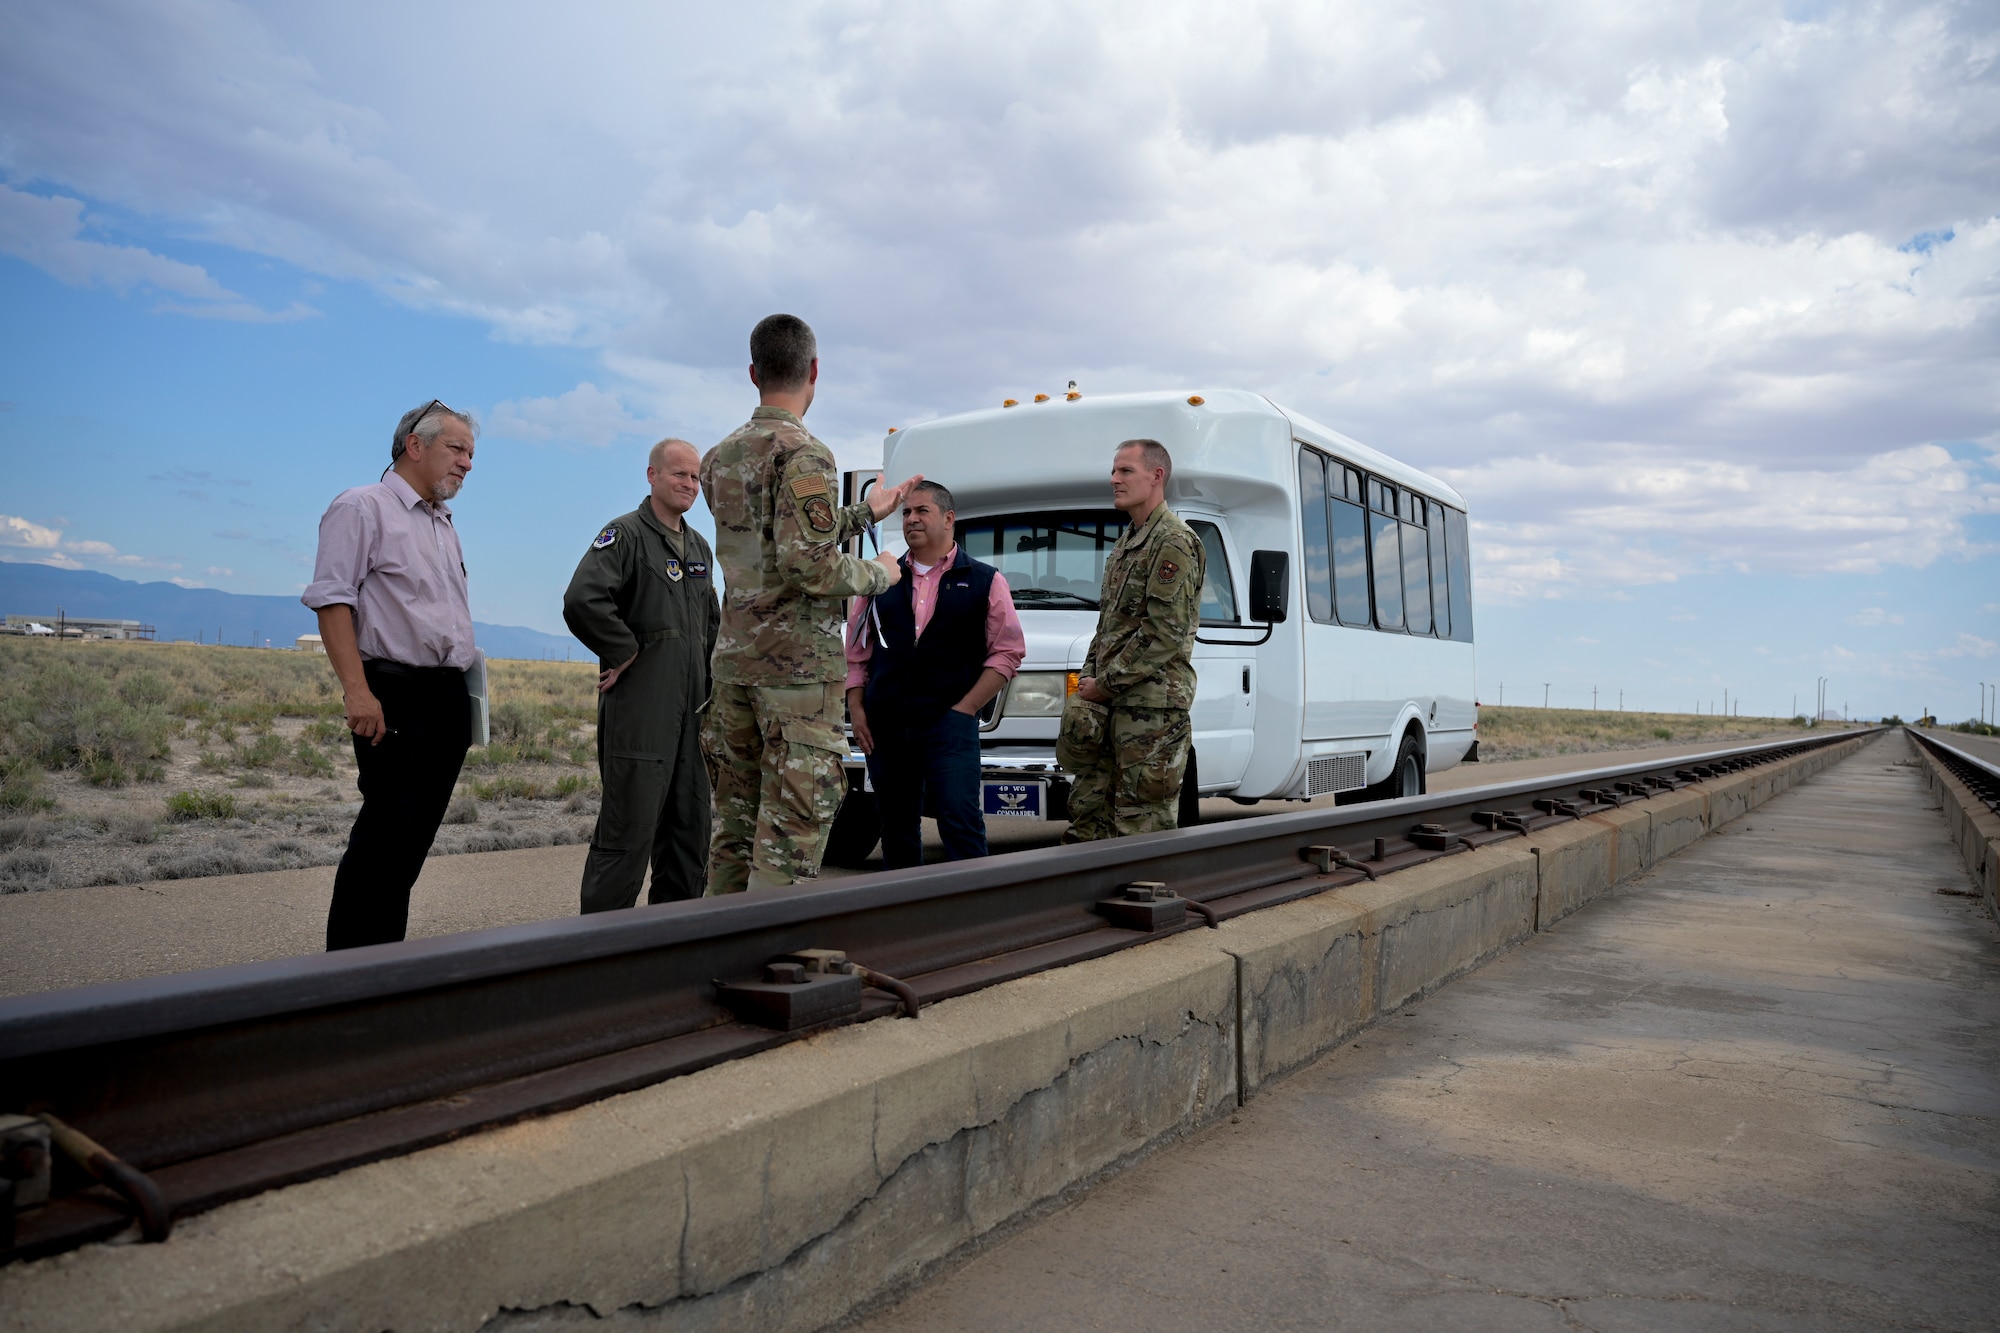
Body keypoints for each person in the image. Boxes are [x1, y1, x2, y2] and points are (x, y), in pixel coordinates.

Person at [699, 313, 921, 893]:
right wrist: (881, 572)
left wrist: (867, 512)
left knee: (735, 826)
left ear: (753, 373)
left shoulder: (719, 458)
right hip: (794, 674)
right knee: (790, 825)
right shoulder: (805, 453)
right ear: (814, 371)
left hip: (734, 667)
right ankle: (771, 954)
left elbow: (773, 539)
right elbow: (810, 565)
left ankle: (712, 948)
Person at [302, 399, 480, 949]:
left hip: (447, 697)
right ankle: (347, 975)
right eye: (457, 449)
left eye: (472, 454)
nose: (467, 464)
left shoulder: (443, 522)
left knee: (411, 843)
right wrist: (358, 692)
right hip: (393, 695)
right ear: (415, 445)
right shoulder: (361, 507)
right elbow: (333, 601)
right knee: (385, 834)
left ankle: (383, 967)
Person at [562, 438, 720, 912]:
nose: (688, 484)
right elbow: (582, 599)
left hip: (693, 717)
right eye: (679, 474)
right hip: (641, 714)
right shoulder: (625, 534)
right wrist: (622, 649)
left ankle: (671, 949)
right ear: (652, 476)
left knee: (689, 835)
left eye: (695, 477)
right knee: (626, 835)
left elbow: (710, 624)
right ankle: (602, 951)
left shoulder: (699, 548)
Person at [845, 481, 1026, 868]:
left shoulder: (985, 580)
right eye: (906, 512)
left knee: (959, 822)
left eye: (921, 511)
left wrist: (967, 708)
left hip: (950, 723)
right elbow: (857, 654)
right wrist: (856, 707)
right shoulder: (879, 579)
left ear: (948, 518)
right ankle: (908, 914)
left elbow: (1009, 652)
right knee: (895, 825)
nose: (911, 519)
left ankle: (973, 912)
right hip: (886, 725)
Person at [1057, 438, 1205, 842]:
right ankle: (1088, 898)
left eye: (1125, 471)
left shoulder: (1173, 541)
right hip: (1110, 704)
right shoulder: (1127, 542)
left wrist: (1104, 685)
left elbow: (1165, 634)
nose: (1114, 479)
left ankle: (1144, 899)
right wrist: (1090, 683)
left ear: (1156, 476)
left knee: (1143, 821)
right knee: (1090, 812)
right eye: (1114, 470)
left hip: (1150, 710)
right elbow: (1109, 627)